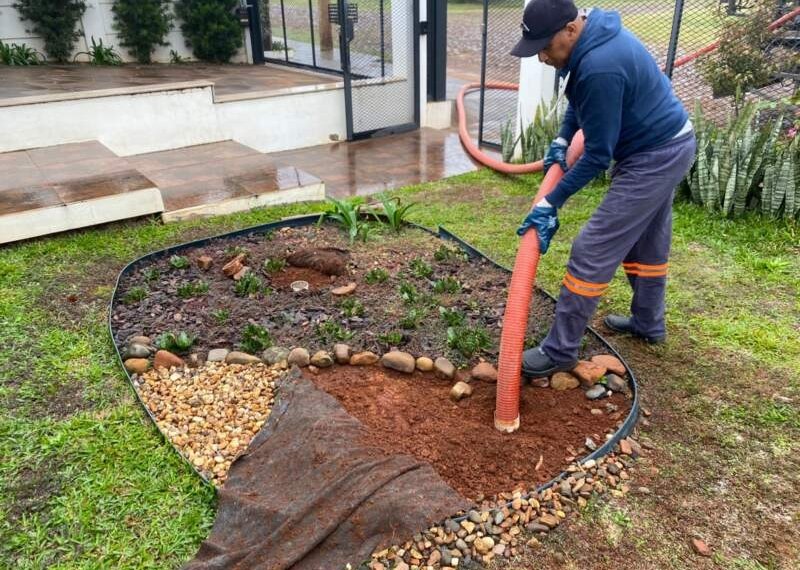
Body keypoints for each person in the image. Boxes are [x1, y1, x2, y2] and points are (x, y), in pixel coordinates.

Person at [510, 0, 696, 377]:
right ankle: (648, 323)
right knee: (647, 241)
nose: (543, 57)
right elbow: (580, 101)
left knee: (592, 247)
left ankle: (560, 350)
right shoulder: (591, 43)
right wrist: (563, 139)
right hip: (667, 144)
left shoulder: (600, 64)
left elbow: (597, 155)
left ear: (570, 30)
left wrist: (551, 201)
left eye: (546, 46)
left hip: (654, 155)